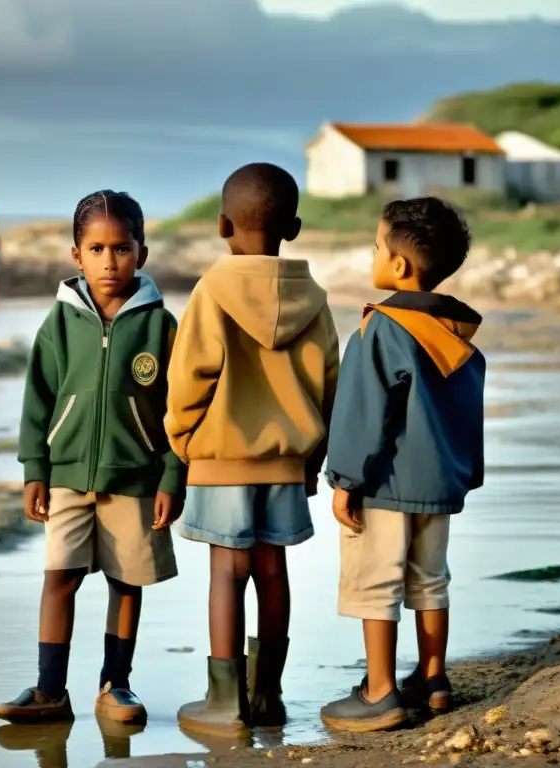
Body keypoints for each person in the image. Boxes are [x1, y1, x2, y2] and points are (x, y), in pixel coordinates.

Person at [0, 190, 186, 726]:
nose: (110, 261)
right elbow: (38, 399)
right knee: (60, 576)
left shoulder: (161, 326)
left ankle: (115, 687)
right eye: (97, 249)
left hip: (137, 477)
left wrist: (173, 474)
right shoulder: (57, 325)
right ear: (76, 255)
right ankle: (49, 690)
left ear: (141, 254)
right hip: (67, 475)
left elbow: (178, 410)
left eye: (122, 248)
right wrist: (35, 468)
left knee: (127, 581)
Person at [164, 163, 341, 735]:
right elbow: (328, 385)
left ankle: (224, 704)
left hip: (220, 459)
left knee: (225, 573)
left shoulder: (211, 291)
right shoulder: (313, 299)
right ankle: (268, 696)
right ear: (292, 226)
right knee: (272, 571)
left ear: (222, 226)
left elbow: (190, 377)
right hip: (288, 462)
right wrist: (312, 460)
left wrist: (184, 441)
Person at [319, 197, 485, 733]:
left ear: (399, 267)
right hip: (439, 488)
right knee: (430, 580)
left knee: (376, 583)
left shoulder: (382, 328)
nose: (372, 254)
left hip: (385, 486)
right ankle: (433, 680)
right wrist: (467, 474)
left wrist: (343, 478)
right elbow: (468, 415)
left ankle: (380, 691)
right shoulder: (460, 337)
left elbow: (364, 414)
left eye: (375, 245)